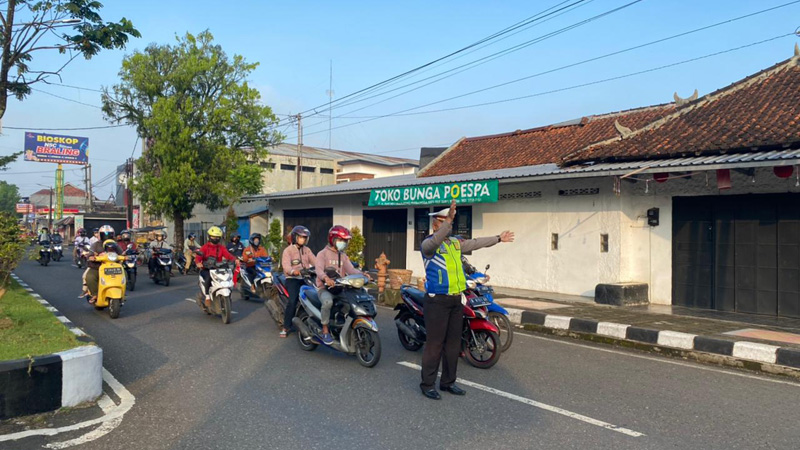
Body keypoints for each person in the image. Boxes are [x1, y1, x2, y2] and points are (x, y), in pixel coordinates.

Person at [418, 199, 515, 400]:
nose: (449, 225)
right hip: (437, 301)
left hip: (456, 300)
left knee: (453, 344)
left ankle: (448, 382)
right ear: (436, 223)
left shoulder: (455, 243)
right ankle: (427, 384)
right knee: (435, 344)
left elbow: (476, 243)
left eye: (450, 221)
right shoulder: (428, 244)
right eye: (445, 221)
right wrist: (449, 221)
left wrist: (498, 238)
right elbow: (437, 240)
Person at [314, 225, 363, 345]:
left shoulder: (343, 255)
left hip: (340, 288)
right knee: (327, 302)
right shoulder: (322, 254)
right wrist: (326, 278)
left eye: (345, 241)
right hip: (325, 288)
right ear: (333, 239)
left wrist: (363, 274)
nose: (344, 243)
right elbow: (319, 270)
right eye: (342, 240)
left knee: (352, 302)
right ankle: (325, 330)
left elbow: (351, 270)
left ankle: (344, 325)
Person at [280, 226, 315, 338]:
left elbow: (315, 261)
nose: (303, 240)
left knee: (315, 296)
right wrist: (293, 271)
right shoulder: (288, 251)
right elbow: (286, 266)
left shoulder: (307, 250)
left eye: (305, 238)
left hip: (306, 278)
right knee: (293, 300)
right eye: (301, 237)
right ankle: (286, 327)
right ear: (295, 237)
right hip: (292, 279)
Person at [195, 226, 236, 307]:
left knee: (228, 280)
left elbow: (228, 256)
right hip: (206, 269)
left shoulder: (221, 248)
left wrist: (235, 260)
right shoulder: (204, 247)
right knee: (208, 278)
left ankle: (227, 297)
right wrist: (198, 263)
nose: (215, 238)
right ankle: (207, 297)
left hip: (219, 269)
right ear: (209, 237)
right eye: (213, 236)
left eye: (217, 237)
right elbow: (198, 257)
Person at [84, 225, 122, 303]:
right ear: (100, 235)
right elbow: (90, 254)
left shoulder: (115, 244)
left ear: (113, 235)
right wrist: (92, 257)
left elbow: (121, 253)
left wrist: (125, 256)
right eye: (104, 234)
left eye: (109, 234)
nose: (107, 236)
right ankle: (95, 294)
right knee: (90, 277)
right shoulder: (95, 244)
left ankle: (122, 292)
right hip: (97, 267)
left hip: (113, 267)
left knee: (124, 273)